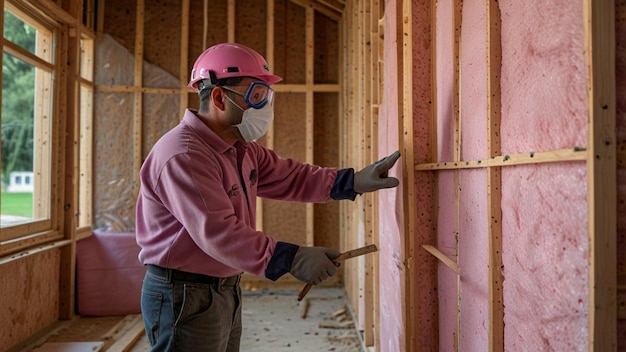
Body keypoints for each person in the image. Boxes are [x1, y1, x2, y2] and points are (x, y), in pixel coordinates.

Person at [135, 42, 401, 352]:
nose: (265, 107)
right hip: (183, 293)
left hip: (222, 287)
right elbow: (220, 233)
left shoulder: (240, 148)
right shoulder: (185, 155)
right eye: (256, 95)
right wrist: (292, 259)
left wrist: (351, 181)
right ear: (220, 97)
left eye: (266, 96)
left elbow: (292, 177)